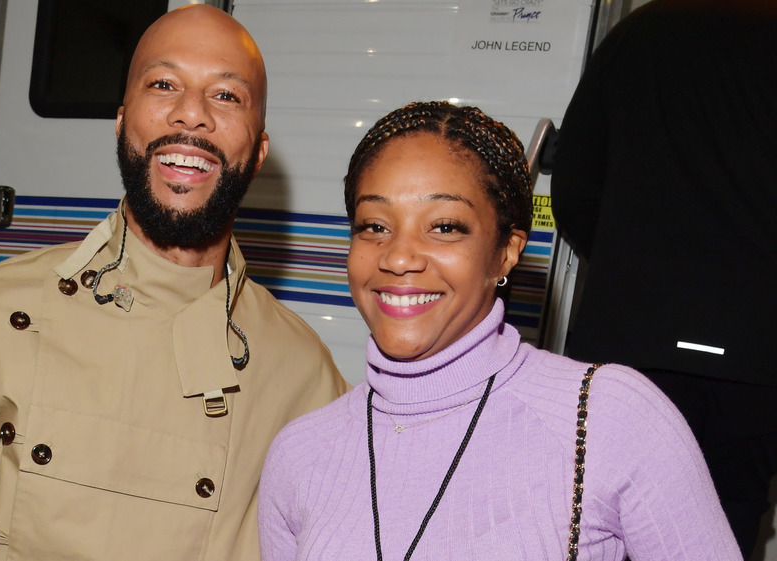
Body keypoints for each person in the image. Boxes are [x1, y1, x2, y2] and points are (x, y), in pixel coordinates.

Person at [0, 6, 347, 561]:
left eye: (226, 96)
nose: (190, 115)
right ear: (121, 120)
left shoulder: (306, 378)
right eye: (164, 84)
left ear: (257, 151)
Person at [257, 100, 741, 560]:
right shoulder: (300, 454)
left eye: (444, 226)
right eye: (374, 225)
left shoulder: (605, 418)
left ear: (506, 251)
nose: (398, 257)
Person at [550, 0, 777, 554]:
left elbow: (575, 189)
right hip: (755, 355)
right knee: (725, 523)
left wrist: (630, 273)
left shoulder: (641, 32)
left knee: (596, 520)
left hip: (633, 339)